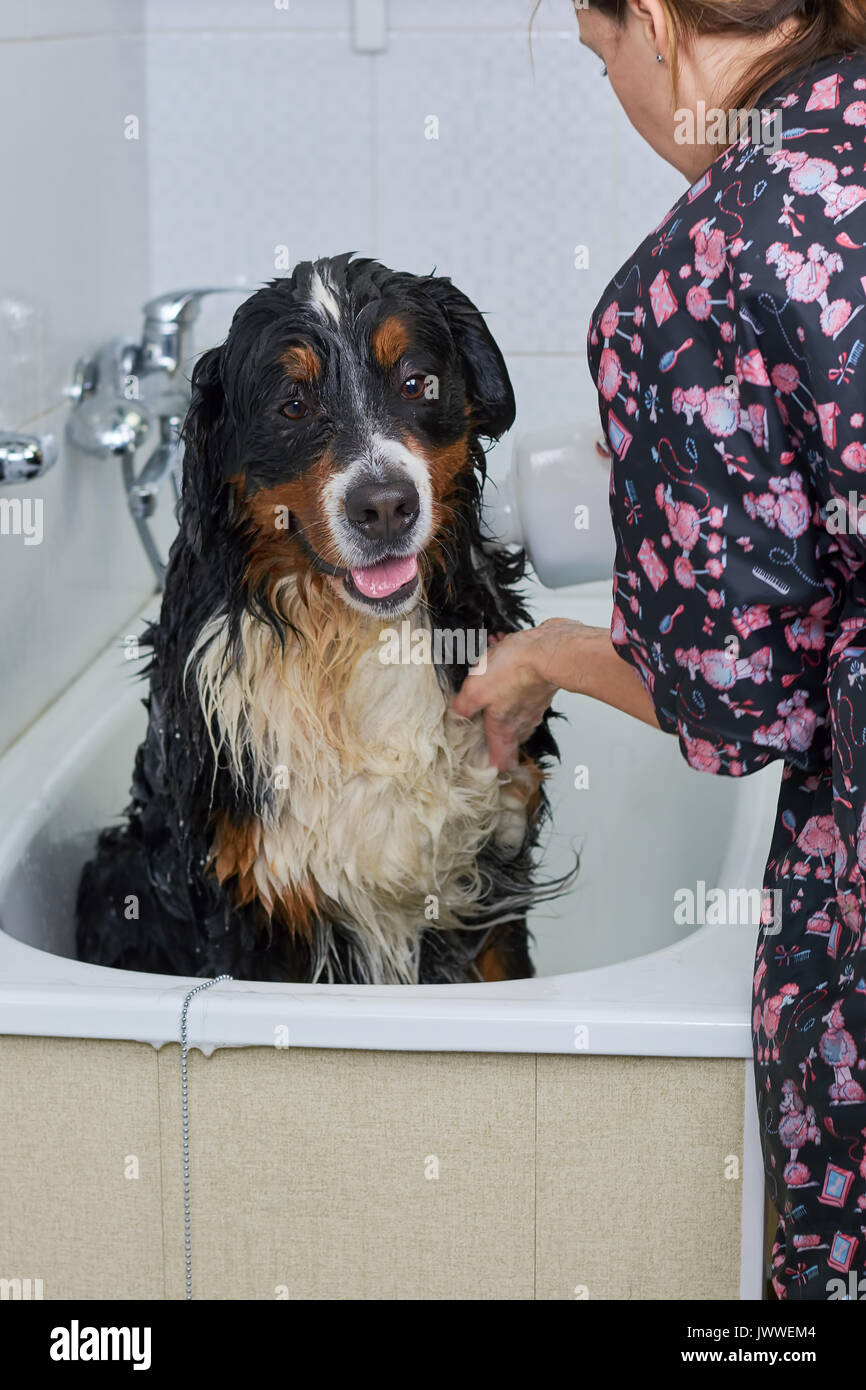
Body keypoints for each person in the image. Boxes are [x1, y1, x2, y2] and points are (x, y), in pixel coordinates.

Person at [451, 0, 866, 1301]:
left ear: (651, 25)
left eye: (601, 59)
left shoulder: (696, 278)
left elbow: (736, 709)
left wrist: (547, 651)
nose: (621, 96)